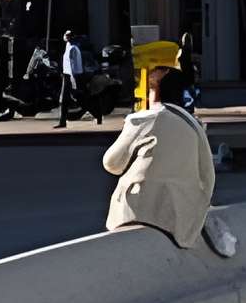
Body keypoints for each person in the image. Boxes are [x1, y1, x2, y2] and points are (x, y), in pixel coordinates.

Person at [102, 67, 216, 249]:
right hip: (182, 219)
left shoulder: (143, 120)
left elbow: (111, 163)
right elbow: (208, 178)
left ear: (153, 93)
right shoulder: (196, 128)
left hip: (136, 209)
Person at [57, 30, 85, 127]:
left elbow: (73, 66)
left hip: (72, 76)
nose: (66, 37)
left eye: (68, 35)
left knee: (71, 98)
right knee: (64, 100)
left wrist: (73, 80)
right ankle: (62, 121)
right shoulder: (68, 46)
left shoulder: (73, 48)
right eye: (66, 35)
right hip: (67, 75)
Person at [176, 29, 199, 109]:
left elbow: (178, 60)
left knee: (186, 89)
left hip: (184, 72)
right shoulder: (189, 52)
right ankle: (193, 101)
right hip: (188, 72)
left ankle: (188, 103)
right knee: (189, 89)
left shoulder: (181, 51)